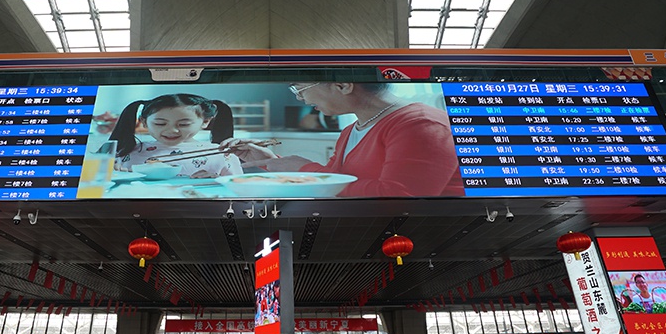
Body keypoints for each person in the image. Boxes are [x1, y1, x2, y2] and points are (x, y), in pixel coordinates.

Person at [222, 82, 462, 197]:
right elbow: (336, 181)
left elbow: (400, 197)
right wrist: (271, 162)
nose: (301, 99)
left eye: (300, 88)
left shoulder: (420, 124)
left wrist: (306, 172)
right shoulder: (353, 129)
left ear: (343, 85)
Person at [107, 93, 243, 178]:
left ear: (205, 122)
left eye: (183, 124)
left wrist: (218, 182)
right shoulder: (126, 152)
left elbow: (241, 193)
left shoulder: (222, 154)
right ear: (144, 122)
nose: (172, 130)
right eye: (160, 124)